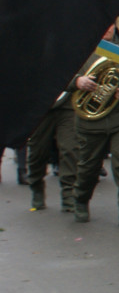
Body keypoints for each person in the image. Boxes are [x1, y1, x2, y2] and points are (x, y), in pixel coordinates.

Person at [71, 23, 119, 227]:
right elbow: (59, 77)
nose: (106, 30)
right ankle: (80, 199)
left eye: (110, 25)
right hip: (90, 122)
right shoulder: (80, 49)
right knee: (88, 167)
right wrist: (77, 82)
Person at [26, 80, 79, 212]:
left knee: (70, 148)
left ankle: (69, 193)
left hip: (68, 105)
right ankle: (36, 187)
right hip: (41, 105)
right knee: (38, 152)